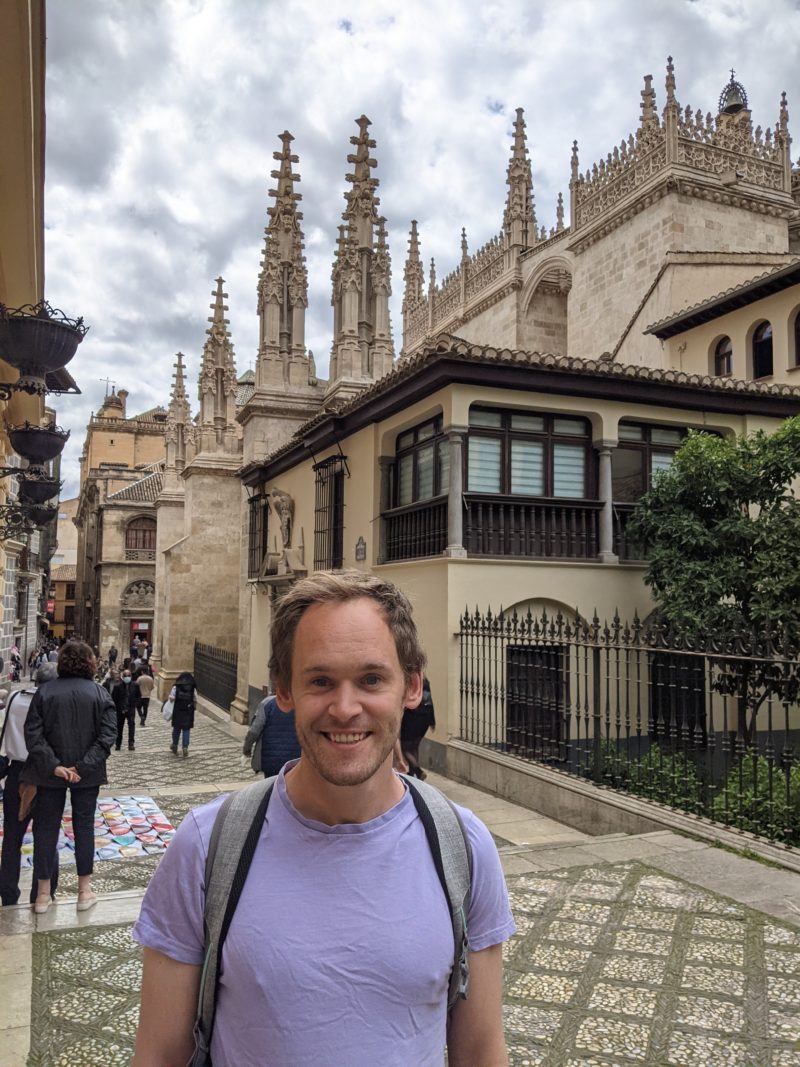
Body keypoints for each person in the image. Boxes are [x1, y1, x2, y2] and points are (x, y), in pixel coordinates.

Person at [132, 571, 514, 1066]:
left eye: (371, 679)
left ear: (412, 686)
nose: (345, 708)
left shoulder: (463, 846)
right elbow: (160, 1054)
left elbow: (481, 1051)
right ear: (283, 690)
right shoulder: (207, 846)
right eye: (320, 681)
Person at [21, 640, 116, 913]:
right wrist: (82, 767)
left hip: (49, 773)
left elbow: (33, 734)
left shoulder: (44, 692)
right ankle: (84, 892)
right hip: (86, 775)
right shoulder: (100, 694)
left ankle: (42, 895)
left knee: (45, 828)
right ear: (90, 663)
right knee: (84, 826)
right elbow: (108, 736)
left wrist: (55, 766)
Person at [0, 663, 60, 906]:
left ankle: (8, 892)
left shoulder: (14, 698)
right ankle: (43, 892)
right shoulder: (54, 704)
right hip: (46, 774)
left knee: (12, 837)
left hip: (16, 773)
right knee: (46, 836)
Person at [242, 693, 301, 776]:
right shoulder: (301, 704)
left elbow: (253, 731)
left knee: (272, 782)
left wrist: (246, 751)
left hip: (270, 761)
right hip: (295, 761)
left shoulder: (267, 703)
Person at [399, 675, 436, 780]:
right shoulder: (424, 681)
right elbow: (430, 701)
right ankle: (412, 773)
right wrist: (432, 721)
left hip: (412, 718)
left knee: (405, 747)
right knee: (414, 746)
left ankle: (418, 771)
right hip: (425, 718)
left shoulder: (408, 680)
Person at [169, 671, 196, 757]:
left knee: (176, 728)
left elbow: (171, 698)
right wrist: (193, 707)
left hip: (178, 710)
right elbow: (195, 699)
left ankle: (175, 744)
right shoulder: (192, 688)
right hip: (188, 710)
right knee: (186, 729)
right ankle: (185, 747)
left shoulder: (176, 687)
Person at [112, 668, 138, 750]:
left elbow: (138, 696)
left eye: (128, 675)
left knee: (131, 726)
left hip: (130, 709)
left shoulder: (135, 685)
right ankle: (118, 744)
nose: (127, 677)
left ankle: (131, 743)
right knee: (119, 727)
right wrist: (117, 708)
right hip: (120, 710)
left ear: (131, 676)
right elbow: (114, 698)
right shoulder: (117, 686)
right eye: (125, 676)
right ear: (122, 677)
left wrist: (135, 704)